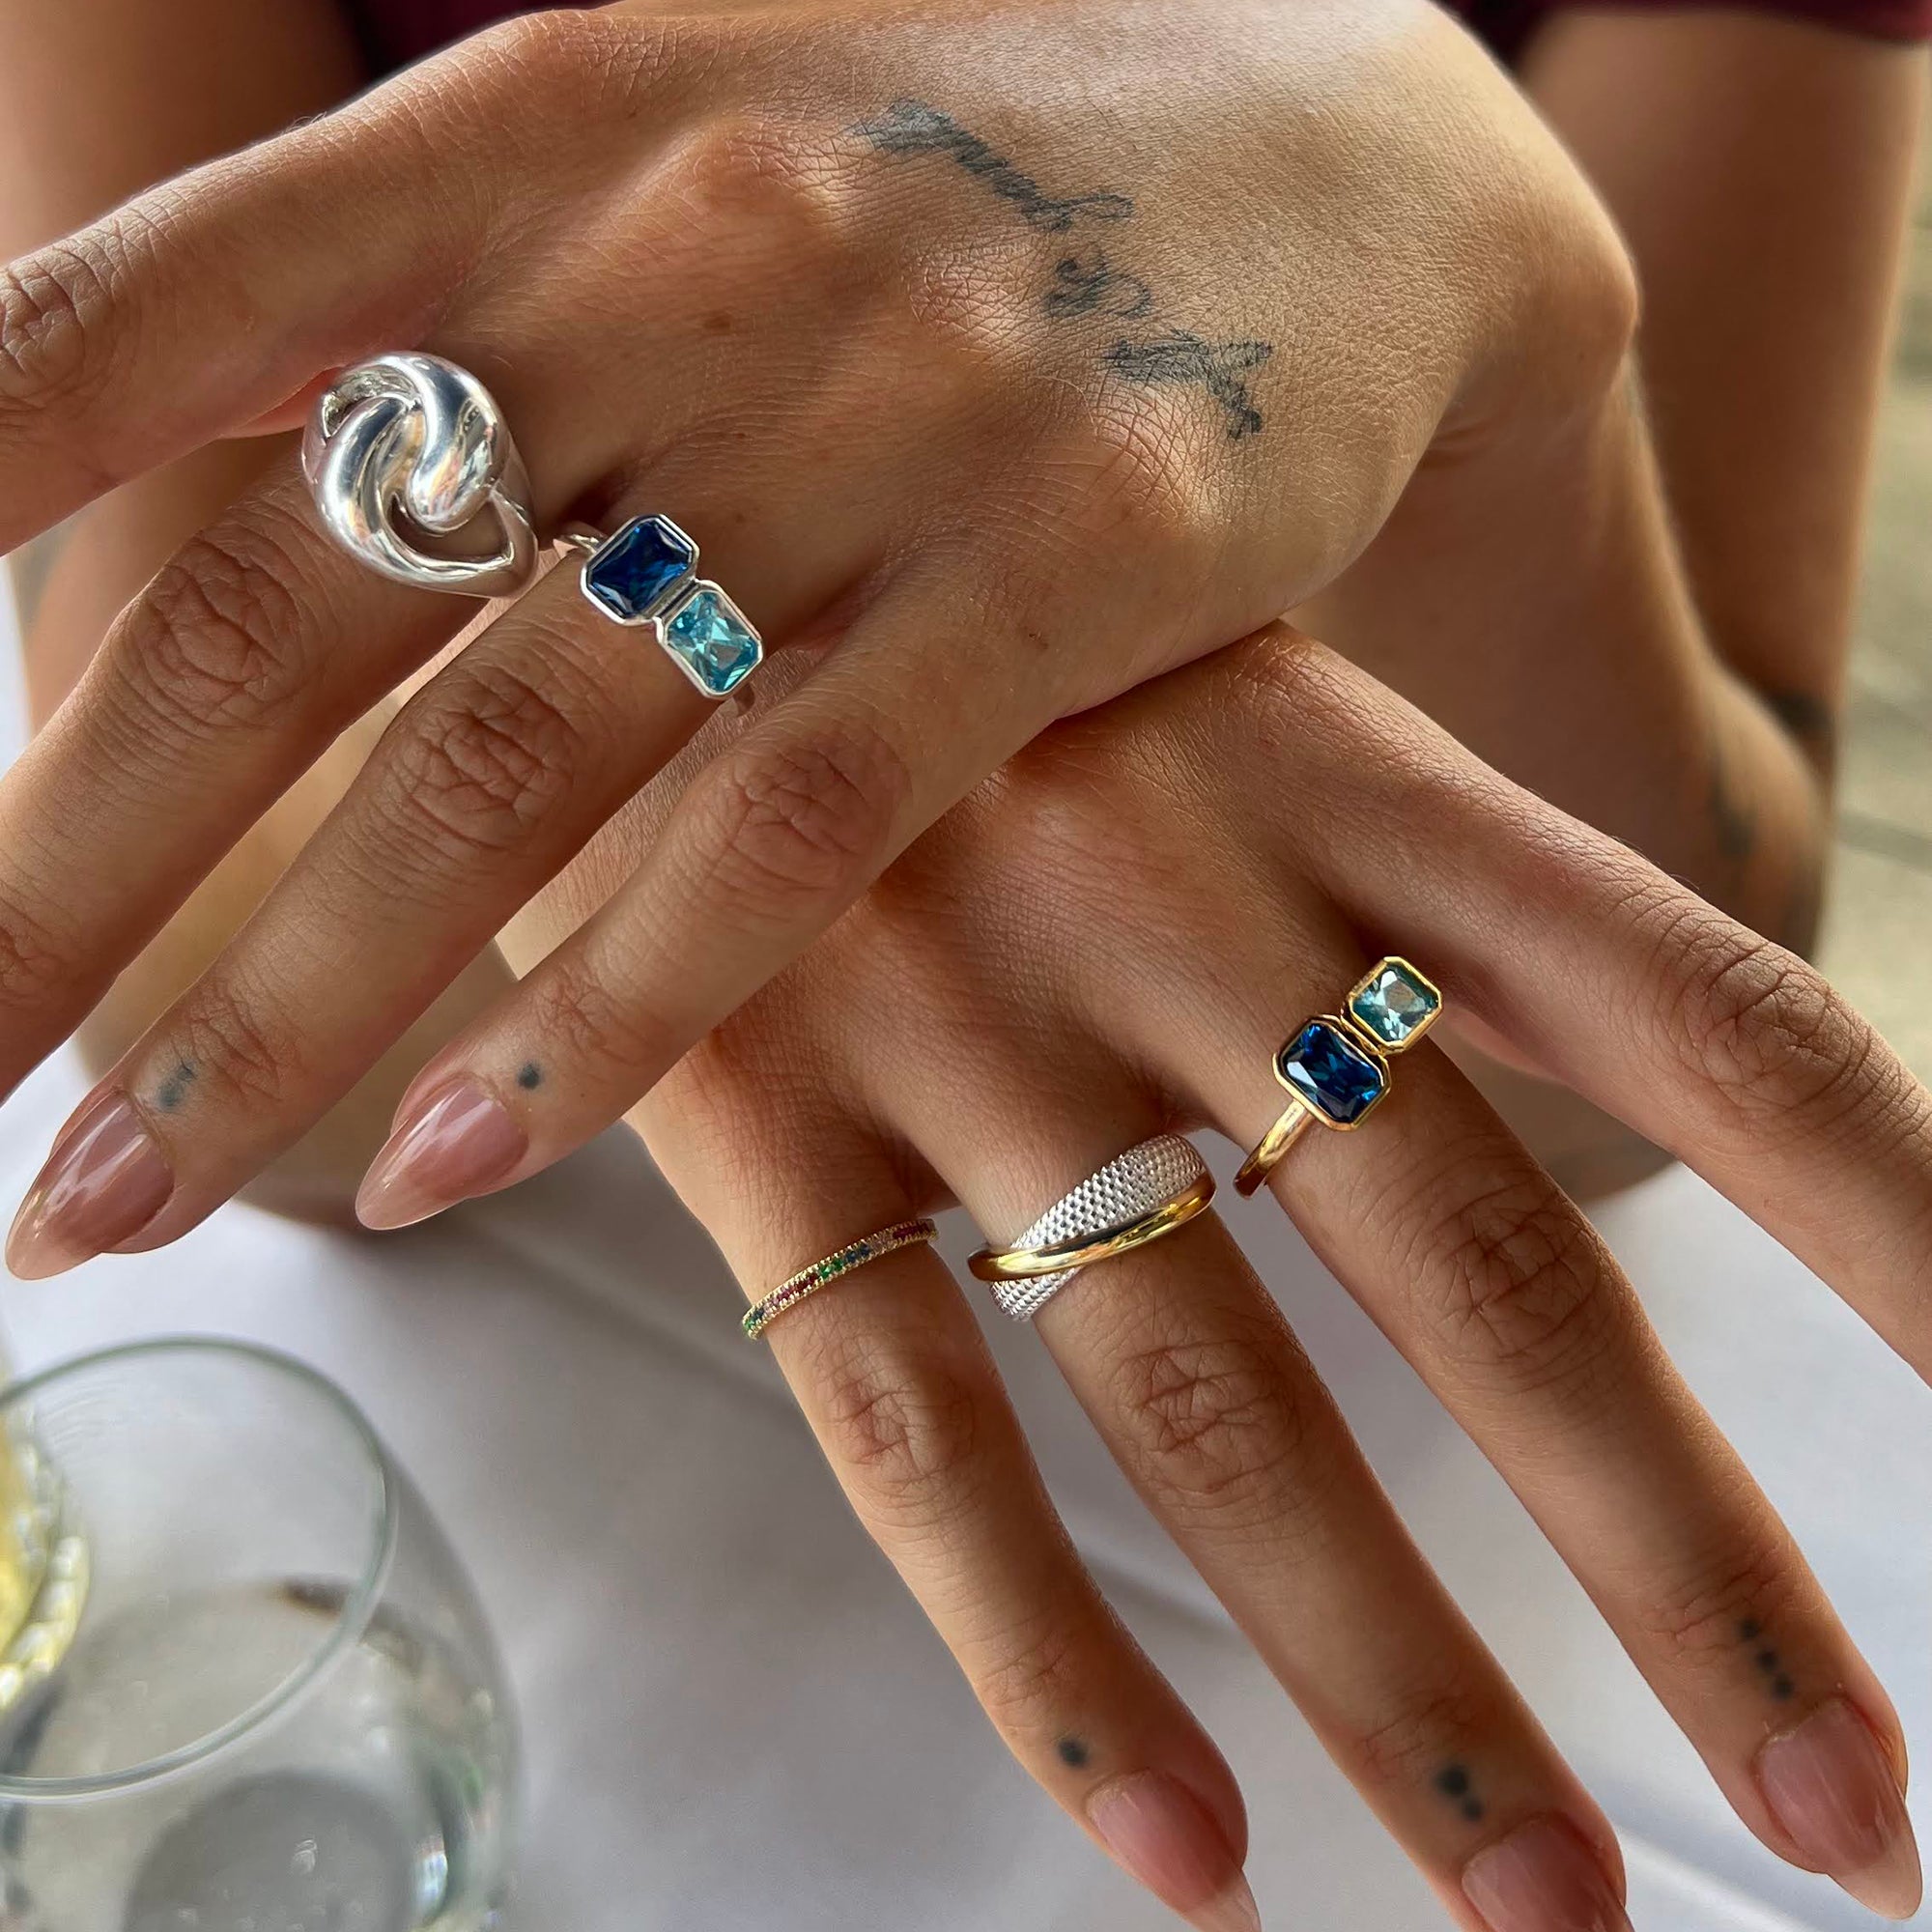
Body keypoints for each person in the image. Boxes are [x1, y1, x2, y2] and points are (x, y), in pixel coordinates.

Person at [2, 3, 1929, 1928]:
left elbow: (1621, 1041)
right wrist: (734, 691)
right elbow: (249, 1082)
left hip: (1353, 1346)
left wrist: (1503, 286)